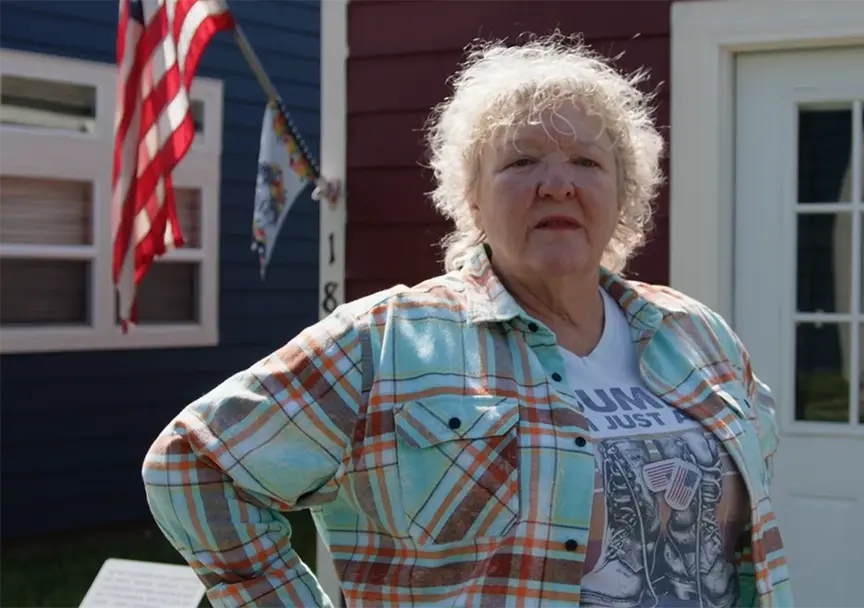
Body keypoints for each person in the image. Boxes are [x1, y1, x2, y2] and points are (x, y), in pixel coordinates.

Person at [142, 32, 792, 608]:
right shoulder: (384, 340)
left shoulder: (699, 336)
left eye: (588, 163)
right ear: (472, 198)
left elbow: (745, 523)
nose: (558, 183)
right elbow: (195, 464)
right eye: (521, 161)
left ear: (624, 196)